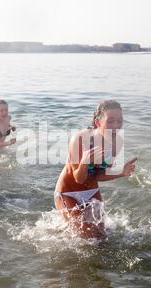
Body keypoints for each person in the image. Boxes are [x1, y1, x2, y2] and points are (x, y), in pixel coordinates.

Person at [54, 100, 137, 238]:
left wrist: (120, 172)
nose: (116, 126)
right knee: (85, 237)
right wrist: (85, 162)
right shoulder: (80, 139)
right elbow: (79, 179)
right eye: (110, 121)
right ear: (98, 122)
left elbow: (98, 175)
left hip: (91, 191)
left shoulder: (118, 142)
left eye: (119, 120)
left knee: (101, 235)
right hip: (68, 192)